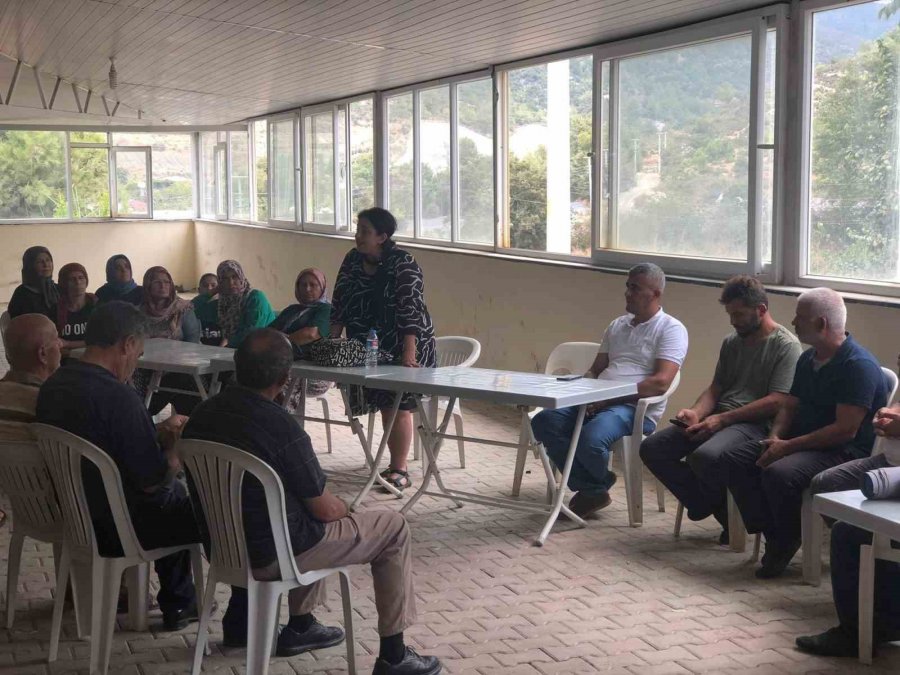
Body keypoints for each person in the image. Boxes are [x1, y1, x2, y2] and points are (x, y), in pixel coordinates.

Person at [182, 329, 441, 674]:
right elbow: (325, 509)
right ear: (285, 378)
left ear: (237, 367)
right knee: (390, 527)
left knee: (284, 510)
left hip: (223, 551)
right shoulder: (281, 427)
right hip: (275, 557)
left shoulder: (201, 415)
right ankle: (394, 656)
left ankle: (277, 625)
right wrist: (347, 509)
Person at [36, 302, 203, 630]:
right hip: (119, 526)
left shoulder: (53, 387)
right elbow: (152, 482)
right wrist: (176, 449)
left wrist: (155, 433)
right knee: (196, 503)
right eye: (138, 354)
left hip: (75, 517)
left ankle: (180, 601)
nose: (135, 363)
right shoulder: (119, 397)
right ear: (127, 344)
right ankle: (184, 604)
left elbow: (103, 442)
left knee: (173, 493)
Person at [721, 288, 889, 579]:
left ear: (821, 323)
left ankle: (784, 540)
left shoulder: (857, 366)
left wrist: (787, 447)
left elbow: (844, 431)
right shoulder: (808, 358)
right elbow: (790, 404)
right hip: (803, 442)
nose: (793, 322)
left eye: (800, 317)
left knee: (779, 474)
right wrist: (776, 437)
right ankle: (777, 531)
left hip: (842, 450)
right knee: (733, 459)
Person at [640, 276, 801, 542]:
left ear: (761, 310)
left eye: (739, 314)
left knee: (706, 456)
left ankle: (730, 519)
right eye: (730, 314)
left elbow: (777, 400)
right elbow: (716, 388)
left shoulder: (786, 346)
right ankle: (712, 506)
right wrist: (696, 413)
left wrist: (722, 420)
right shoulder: (732, 342)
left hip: (753, 425)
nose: (733, 321)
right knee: (653, 448)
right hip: (721, 418)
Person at [531, 263, 688, 519]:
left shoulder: (671, 329)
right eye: (627, 286)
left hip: (633, 408)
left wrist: (605, 400)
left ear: (656, 293)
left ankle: (591, 490)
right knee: (544, 421)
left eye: (635, 288)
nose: (627, 293)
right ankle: (595, 487)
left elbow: (660, 383)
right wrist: (582, 390)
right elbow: (596, 369)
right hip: (598, 399)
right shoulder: (617, 325)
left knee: (591, 439)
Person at [331, 208, 436, 491]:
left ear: (382, 236)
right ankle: (388, 462)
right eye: (358, 230)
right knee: (382, 401)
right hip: (367, 343)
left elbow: (411, 309)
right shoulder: (353, 259)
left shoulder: (403, 262)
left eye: (365, 231)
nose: (358, 236)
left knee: (395, 401)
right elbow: (340, 300)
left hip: (405, 343)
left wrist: (408, 354)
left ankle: (399, 468)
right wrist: (332, 341)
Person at [134, 266, 203, 415]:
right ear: (148, 285)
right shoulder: (137, 313)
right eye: (157, 282)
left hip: (179, 369)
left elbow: (193, 343)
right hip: (147, 371)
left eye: (167, 282)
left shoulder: (183, 309)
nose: (163, 286)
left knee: (184, 382)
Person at [269, 267, 332, 400]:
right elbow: (268, 332)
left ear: (322, 287)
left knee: (269, 377)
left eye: (313, 285)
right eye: (303, 285)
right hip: (282, 362)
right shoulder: (292, 310)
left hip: (314, 372)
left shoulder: (326, 310)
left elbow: (310, 335)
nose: (307, 289)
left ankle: (274, 412)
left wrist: (280, 342)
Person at [0, 314, 62, 441]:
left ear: (7, 356)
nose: (61, 344)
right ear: (42, 354)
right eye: (56, 338)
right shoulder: (55, 404)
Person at [216, 260, 276, 349]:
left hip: (266, 349)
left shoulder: (255, 297)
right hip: (241, 349)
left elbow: (252, 334)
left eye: (235, 277)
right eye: (225, 279)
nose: (231, 282)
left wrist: (225, 348)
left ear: (241, 277)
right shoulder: (223, 303)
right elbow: (197, 308)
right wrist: (214, 291)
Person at [54, 262, 98, 351]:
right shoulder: (56, 309)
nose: (78, 282)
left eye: (81, 278)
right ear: (64, 283)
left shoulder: (96, 305)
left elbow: (101, 339)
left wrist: (68, 344)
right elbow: (54, 342)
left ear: (86, 281)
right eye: (72, 279)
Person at [8, 246, 59, 319]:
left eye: (48, 260)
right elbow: (16, 321)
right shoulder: (22, 293)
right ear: (30, 266)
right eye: (39, 262)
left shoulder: (57, 289)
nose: (46, 265)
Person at [191, 273, 221, 346]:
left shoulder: (224, 306)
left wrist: (222, 348)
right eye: (205, 285)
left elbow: (229, 335)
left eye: (213, 285)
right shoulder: (193, 305)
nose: (209, 288)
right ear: (199, 290)